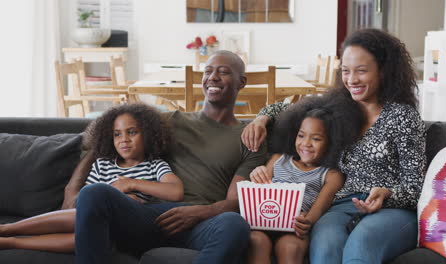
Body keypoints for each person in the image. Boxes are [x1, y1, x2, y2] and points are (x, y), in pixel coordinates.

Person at [241, 28, 426, 264]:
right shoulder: (336, 106)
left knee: (361, 245)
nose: (351, 80)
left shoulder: (403, 117)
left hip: (390, 210)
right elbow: (282, 109)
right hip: (340, 206)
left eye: (361, 71)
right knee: (326, 248)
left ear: (383, 71)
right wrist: (260, 120)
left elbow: (416, 188)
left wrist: (387, 194)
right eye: (346, 71)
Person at [64, 50, 267, 264]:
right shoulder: (171, 121)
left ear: (241, 82)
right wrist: (72, 191)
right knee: (95, 193)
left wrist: (199, 213)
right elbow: (100, 144)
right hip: (148, 216)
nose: (213, 77)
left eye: (223, 72)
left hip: (201, 222)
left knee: (234, 224)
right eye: (208, 71)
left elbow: (235, 201)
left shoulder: (249, 138)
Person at [0, 103, 183, 253]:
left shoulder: (154, 165)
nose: (124, 139)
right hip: (94, 217)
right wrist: (111, 197)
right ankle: (8, 232)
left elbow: (175, 192)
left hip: (123, 225)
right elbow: (83, 201)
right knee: (85, 223)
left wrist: (131, 184)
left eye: (132, 132)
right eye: (117, 134)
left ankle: (13, 240)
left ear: (149, 135)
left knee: (89, 233)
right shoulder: (103, 164)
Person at [247, 95, 363, 264]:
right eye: (301, 136)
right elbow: (259, 191)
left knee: (290, 247)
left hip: (294, 228)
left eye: (316, 139)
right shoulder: (278, 159)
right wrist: (257, 173)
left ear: (331, 143)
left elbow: (317, 210)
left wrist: (306, 222)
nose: (306, 143)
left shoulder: (331, 175)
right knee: (256, 241)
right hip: (264, 222)